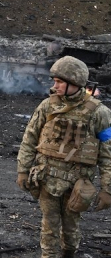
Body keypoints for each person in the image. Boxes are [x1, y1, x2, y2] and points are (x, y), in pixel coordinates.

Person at [16, 55, 111, 258]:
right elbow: (30, 138)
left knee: (70, 229)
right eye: (55, 81)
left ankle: (69, 253)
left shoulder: (99, 113)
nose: (55, 86)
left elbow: (107, 153)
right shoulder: (47, 106)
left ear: (74, 83)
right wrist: (23, 170)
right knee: (48, 226)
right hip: (47, 177)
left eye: (59, 82)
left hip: (78, 183)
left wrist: (107, 189)